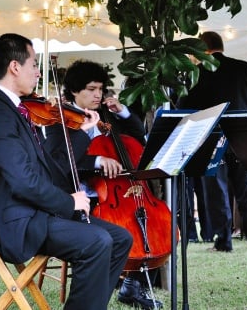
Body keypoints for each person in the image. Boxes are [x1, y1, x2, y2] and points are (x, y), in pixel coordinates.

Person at [0, 33, 132, 310]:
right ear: (15, 67)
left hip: (38, 212)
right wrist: (69, 202)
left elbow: (49, 165)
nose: (37, 72)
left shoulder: (14, 108)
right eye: (34, 65)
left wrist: (80, 132)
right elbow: (23, 182)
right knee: (97, 241)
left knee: (120, 238)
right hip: (21, 222)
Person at [43, 60, 162, 310]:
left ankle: (127, 285)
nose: (98, 94)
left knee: (142, 224)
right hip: (81, 197)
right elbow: (60, 162)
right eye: (91, 89)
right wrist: (97, 160)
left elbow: (138, 135)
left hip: (115, 192)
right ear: (74, 90)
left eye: (101, 89)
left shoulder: (107, 113)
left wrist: (123, 112)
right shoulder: (59, 120)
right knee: (118, 233)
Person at [176, 31, 247, 252]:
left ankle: (224, 241)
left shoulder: (198, 71)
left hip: (212, 136)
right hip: (244, 135)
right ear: (221, 47)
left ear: (201, 50)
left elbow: (183, 107)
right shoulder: (242, 67)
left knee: (217, 191)